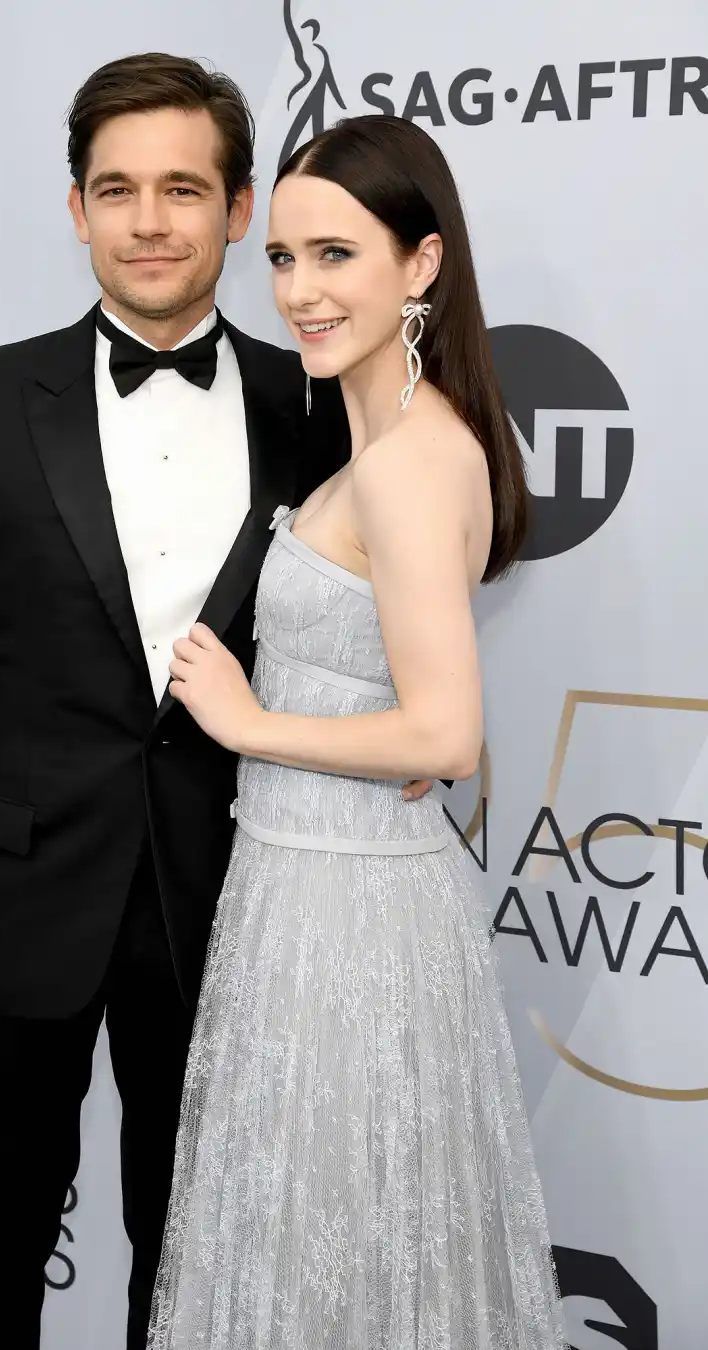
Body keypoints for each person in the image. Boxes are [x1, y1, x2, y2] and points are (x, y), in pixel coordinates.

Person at [0, 56, 433, 1350]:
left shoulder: (318, 400)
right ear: (75, 209)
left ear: (241, 210)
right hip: (10, 911)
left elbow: (385, 590)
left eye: (184, 188)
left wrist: (417, 722)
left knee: (196, 1270)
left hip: (235, 902)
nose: (149, 221)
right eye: (117, 189)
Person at [146, 115, 567, 1348]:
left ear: (421, 265)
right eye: (279, 260)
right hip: (314, 890)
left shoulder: (407, 463)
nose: (299, 293)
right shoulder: (382, 443)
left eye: (335, 256)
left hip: (347, 915)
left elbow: (445, 736)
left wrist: (250, 720)